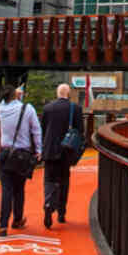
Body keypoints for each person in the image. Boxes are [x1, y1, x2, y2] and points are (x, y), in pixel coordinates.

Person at [0, 84, 41, 237]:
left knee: (6, 190)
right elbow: (36, 130)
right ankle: (17, 219)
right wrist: (39, 150)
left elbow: (4, 101)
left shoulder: (1, 109)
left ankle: (3, 225)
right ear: (16, 95)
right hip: (22, 153)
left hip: (5, 152)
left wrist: (15, 94)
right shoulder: (28, 109)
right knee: (19, 189)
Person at [40, 83, 81, 228]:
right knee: (64, 180)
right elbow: (79, 131)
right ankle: (62, 213)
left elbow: (43, 130)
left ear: (57, 93)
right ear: (68, 94)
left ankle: (48, 204)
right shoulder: (75, 109)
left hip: (50, 150)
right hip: (66, 151)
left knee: (49, 180)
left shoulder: (47, 108)